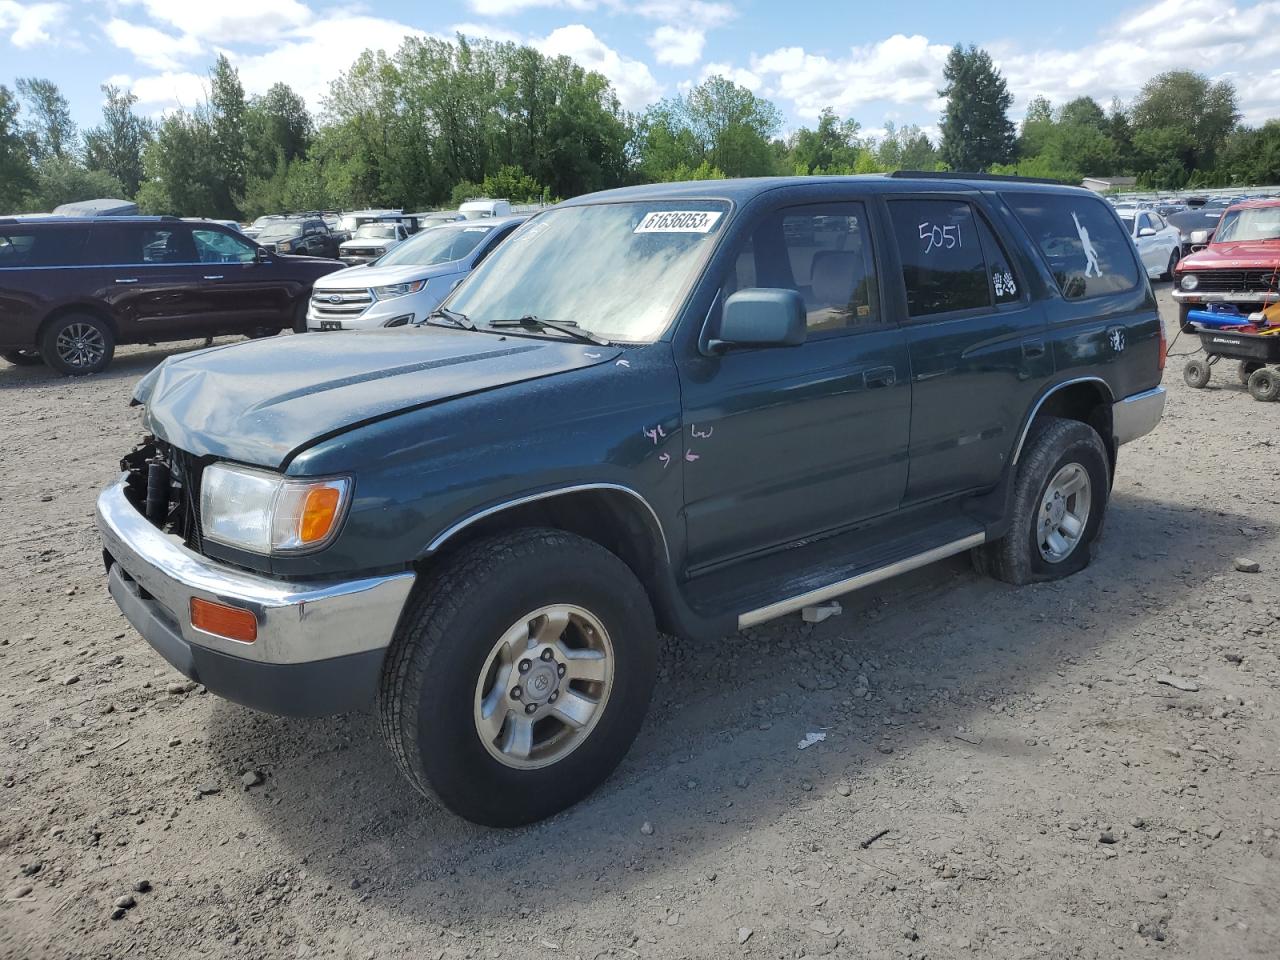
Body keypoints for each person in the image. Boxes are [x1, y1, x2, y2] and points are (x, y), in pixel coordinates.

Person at [1072, 211, 1102, 278]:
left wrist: (1094, 252)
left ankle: (1088, 273)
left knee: (1091, 263)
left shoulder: (1087, 238)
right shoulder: (1082, 236)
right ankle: (1097, 273)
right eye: (1083, 229)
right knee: (1093, 262)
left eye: (1085, 229)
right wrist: (1075, 218)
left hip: (1088, 250)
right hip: (1087, 251)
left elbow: (1090, 246)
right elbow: (1078, 227)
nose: (1084, 229)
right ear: (1082, 231)